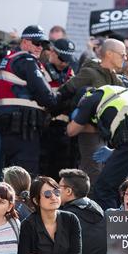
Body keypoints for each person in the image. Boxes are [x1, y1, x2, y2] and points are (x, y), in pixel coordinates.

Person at [67, 83, 128, 210]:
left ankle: (111, 228)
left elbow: (72, 130)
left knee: (104, 187)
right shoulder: (118, 91)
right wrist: (115, 152)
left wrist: (74, 118)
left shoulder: (88, 99)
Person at [55, 38, 128, 184]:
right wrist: (77, 116)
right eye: (122, 54)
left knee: (104, 175)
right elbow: (63, 93)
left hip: (108, 136)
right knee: (93, 175)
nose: (125, 58)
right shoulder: (89, 73)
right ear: (109, 54)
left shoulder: (117, 79)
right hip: (89, 134)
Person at [0, 25, 62, 175]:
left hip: (10, 125)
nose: (40, 48)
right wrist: (61, 97)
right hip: (24, 128)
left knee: (11, 175)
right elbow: (46, 97)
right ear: (25, 42)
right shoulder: (26, 60)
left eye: (43, 45)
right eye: (37, 43)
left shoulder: (9, 59)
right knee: (25, 176)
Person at [58, 169, 106, 254]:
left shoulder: (66, 216)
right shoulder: (100, 210)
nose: (55, 191)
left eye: (59, 187)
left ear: (69, 191)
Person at [41, 38, 76, 178]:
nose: (64, 62)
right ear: (53, 53)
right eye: (62, 58)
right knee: (45, 168)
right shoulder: (41, 70)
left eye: (67, 59)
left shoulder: (72, 73)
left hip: (66, 129)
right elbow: (48, 101)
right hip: (46, 126)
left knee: (63, 170)